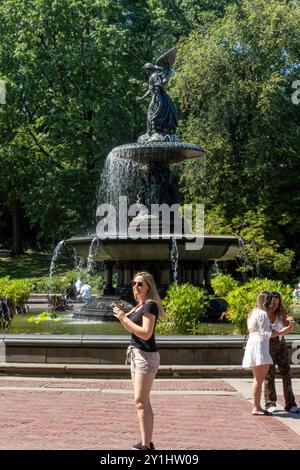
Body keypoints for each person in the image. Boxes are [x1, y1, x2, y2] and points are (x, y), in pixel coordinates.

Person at [112, 271, 164, 451]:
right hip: (136, 354)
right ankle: (146, 442)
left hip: (145, 356)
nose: (136, 287)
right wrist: (123, 318)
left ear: (149, 286)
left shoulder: (150, 305)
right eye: (134, 283)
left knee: (140, 401)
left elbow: (145, 333)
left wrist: (123, 318)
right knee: (142, 401)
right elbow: (132, 330)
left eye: (140, 284)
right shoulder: (139, 305)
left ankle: (146, 446)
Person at [242, 292, 292, 416]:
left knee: (258, 379)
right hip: (260, 346)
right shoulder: (262, 313)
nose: (272, 304)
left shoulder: (252, 312)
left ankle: (258, 406)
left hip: (253, 344)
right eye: (270, 301)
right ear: (266, 301)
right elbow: (266, 333)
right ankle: (257, 407)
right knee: (259, 380)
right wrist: (282, 332)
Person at [264, 291, 299, 413]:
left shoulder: (280, 312)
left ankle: (290, 403)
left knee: (286, 373)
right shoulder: (264, 314)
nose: (275, 305)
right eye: (273, 302)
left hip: (281, 345)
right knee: (269, 375)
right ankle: (270, 403)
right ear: (268, 301)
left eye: (277, 303)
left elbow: (287, 321)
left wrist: (291, 321)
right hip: (267, 346)